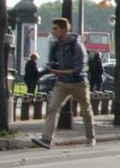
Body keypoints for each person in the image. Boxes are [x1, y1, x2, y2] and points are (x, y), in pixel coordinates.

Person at [32, 18, 95, 148]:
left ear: (64, 29)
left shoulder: (77, 46)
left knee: (85, 111)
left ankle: (90, 138)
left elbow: (80, 69)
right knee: (52, 108)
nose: (53, 31)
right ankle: (46, 139)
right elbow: (52, 63)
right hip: (62, 83)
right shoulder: (55, 45)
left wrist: (60, 71)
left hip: (79, 83)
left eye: (56, 28)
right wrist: (42, 72)